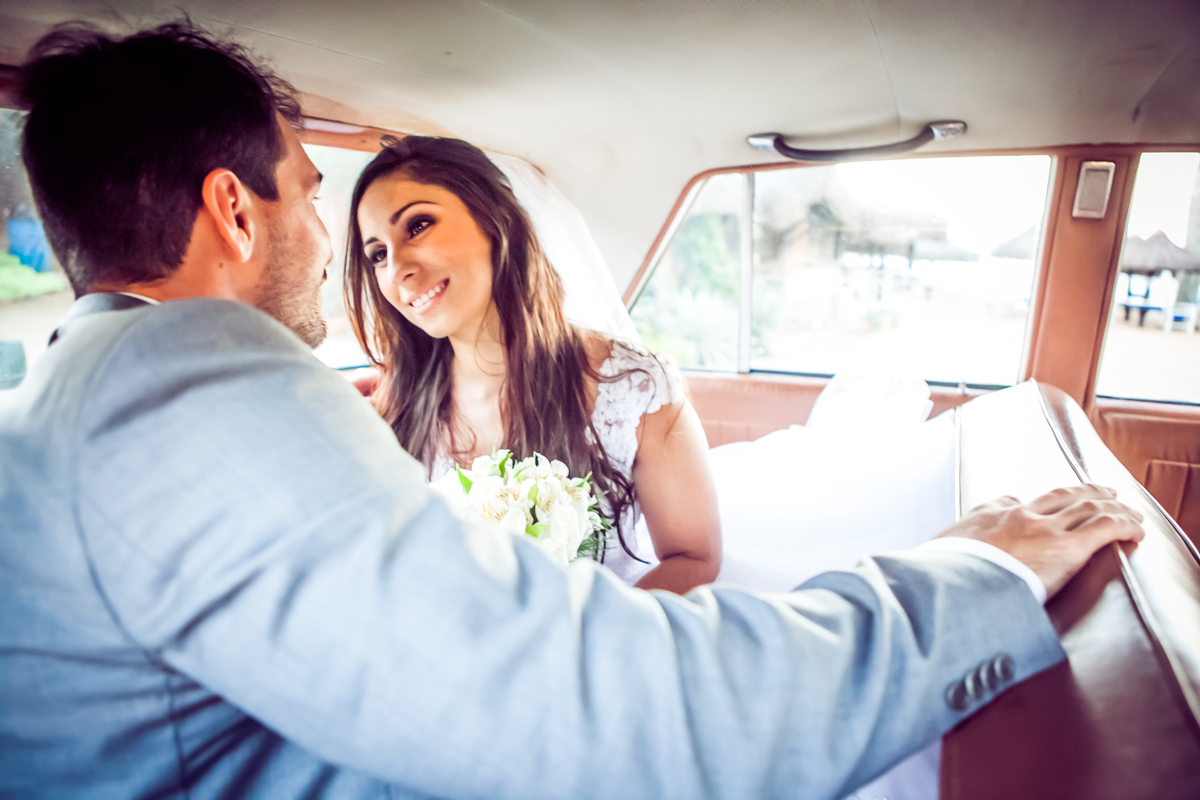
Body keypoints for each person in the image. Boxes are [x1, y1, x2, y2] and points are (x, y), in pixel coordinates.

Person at [0, 20, 1145, 799]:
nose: (354, 251)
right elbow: (580, 700)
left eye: (413, 225)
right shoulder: (192, 384)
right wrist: (966, 577)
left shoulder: (84, 387)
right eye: (315, 197)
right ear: (233, 213)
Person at [345, 135, 720, 592]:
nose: (397, 267)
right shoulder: (389, 407)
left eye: (418, 225)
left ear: (494, 220)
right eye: (377, 254)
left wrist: (579, 645)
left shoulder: (634, 389)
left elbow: (694, 557)